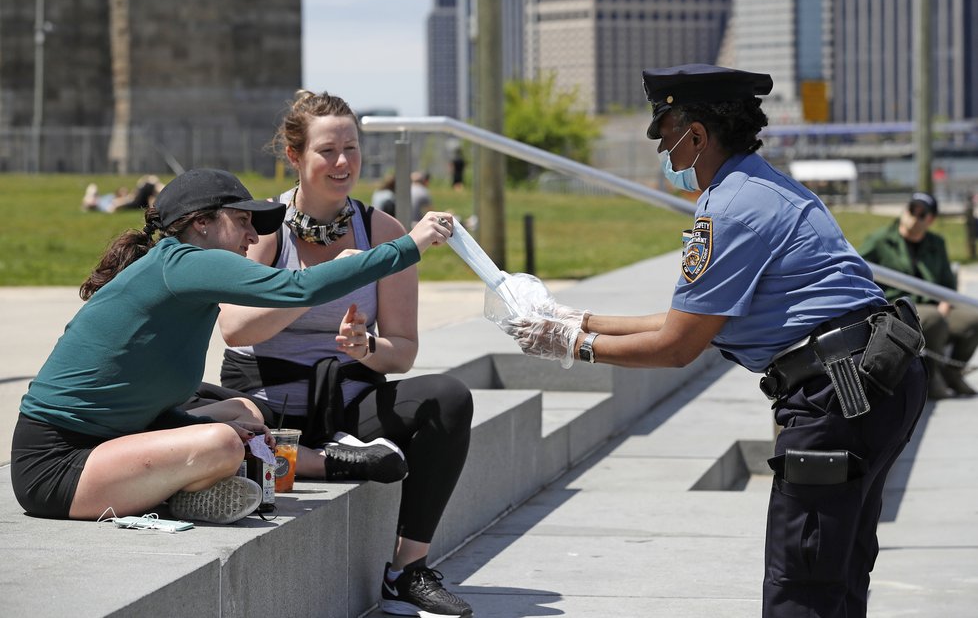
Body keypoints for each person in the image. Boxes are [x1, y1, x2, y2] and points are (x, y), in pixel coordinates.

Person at [500, 64, 927, 618]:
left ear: (696, 134)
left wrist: (571, 346)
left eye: (664, 134)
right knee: (838, 573)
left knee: (802, 583)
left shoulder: (728, 209)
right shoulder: (763, 185)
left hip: (837, 395)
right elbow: (694, 323)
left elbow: (678, 347)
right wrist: (581, 319)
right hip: (872, 379)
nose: (662, 150)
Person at [10, 167, 452, 528]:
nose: (253, 237)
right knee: (221, 443)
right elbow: (296, 289)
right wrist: (408, 246)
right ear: (201, 223)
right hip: (57, 465)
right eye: (242, 221)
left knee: (241, 413)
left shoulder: (181, 279)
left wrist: (190, 422)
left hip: (111, 443)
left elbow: (136, 404)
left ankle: (190, 488)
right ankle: (296, 470)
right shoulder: (182, 263)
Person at [217, 90, 474, 618]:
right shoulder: (262, 228)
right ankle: (316, 461)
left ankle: (407, 570)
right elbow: (234, 328)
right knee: (207, 427)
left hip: (348, 398)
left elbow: (402, 353)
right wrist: (320, 280)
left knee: (448, 398)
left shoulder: (383, 232)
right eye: (327, 151)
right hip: (267, 401)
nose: (342, 163)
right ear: (294, 157)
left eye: (351, 149)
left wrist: (368, 347)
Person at [859, 192, 978, 398]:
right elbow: (857, 267)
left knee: (972, 319)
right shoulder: (881, 240)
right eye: (911, 209)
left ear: (930, 220)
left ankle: (952, 373)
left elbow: (948, 284)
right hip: (897, 308)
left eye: (921, 213)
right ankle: (931, 377)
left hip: (936, 307)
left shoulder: (936, 243)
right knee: (934, 318)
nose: (913, 216)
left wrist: (946, 304)